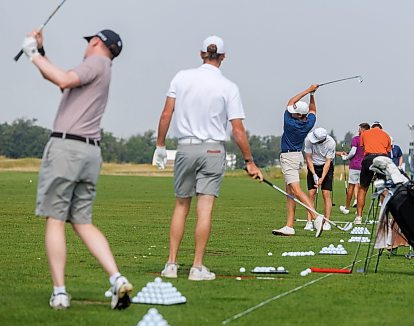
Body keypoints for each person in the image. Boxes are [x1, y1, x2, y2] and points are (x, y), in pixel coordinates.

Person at [21, 29, 132, 310]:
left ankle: (59, 293)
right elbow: (62, 83)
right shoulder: (103, 69)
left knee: (55, 219)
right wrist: (42, 54)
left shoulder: (95, 63)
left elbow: (63, 78)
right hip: (90, 152)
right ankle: (117, 279)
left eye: (89, 42)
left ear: (96, 42)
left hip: (67, 149)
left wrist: (31, 53)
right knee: (82, 222)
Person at [152, 36, 263, 281]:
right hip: (213, 150)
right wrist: (249, 161)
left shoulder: (181, 77)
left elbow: (166, 114)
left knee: (181, 205)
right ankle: (197, 267)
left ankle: (171, 265)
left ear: (201, 53)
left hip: (185, 148)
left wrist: (160, 145)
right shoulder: (229, 87)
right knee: (205, 208)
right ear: (222, 57)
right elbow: (237, 130)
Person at [272, 84, 325, 236]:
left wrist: (308, 90)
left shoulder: (290, 122)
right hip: (296, 156)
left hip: (289, 157)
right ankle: (289, 226)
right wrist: (313, 95)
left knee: (295, 189)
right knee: (289, 192)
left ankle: (316, 217)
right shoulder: (308, 122)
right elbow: (313, 110)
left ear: (299, 115)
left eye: (295, 112)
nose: (292, 112)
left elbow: (290, 101)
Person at [303, 127, 345, 231]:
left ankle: (327, 222)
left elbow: (328, 162)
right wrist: (313, 174)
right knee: (311, 194)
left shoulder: (331, 143)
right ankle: (309, 222)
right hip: (313, 165)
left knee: (326, 194)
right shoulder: (308, 139)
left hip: (326, 167)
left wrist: (321, 178)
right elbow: (308, 158)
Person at [354, 122, 392, 224]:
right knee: (384, 188)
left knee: (363, 188)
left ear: (372, 127)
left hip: (368, 158)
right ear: (381, 128)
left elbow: (363, 147)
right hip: (382, 158)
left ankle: (359, 217)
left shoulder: (365, 134)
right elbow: (388, 150)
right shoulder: (386, 135)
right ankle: (384, 217)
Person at [340, 123, 370, 215]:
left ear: (363, 130)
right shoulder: (369, 140)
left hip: (355, 166)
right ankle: (359, 211)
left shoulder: (356, 139)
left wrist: (346, 157)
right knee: (362, 188)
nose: (359, 130)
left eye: (360, 129)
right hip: (365, 166)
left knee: (351, 187)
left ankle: (347, 207)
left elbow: (353, 152)